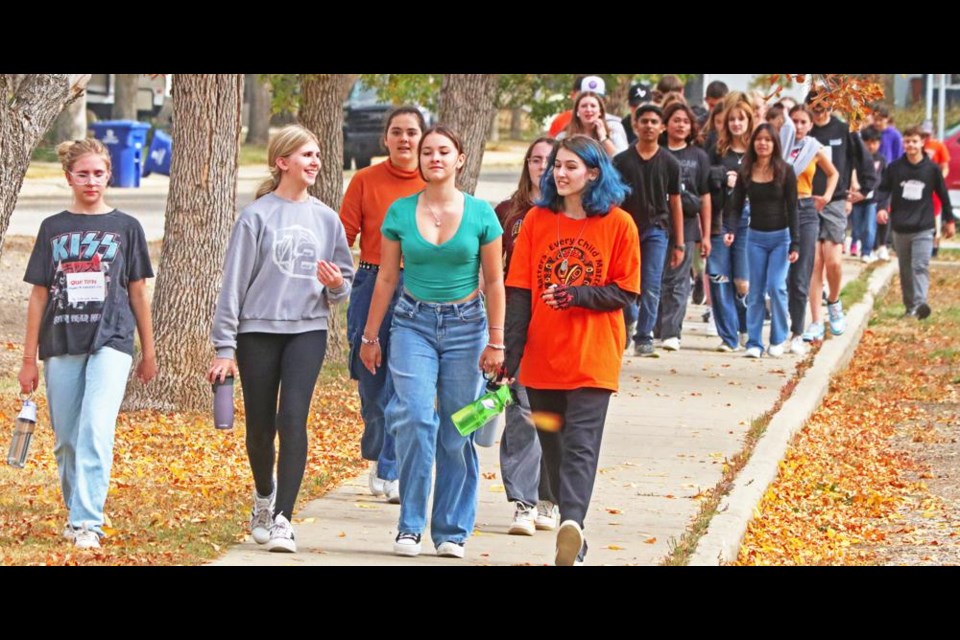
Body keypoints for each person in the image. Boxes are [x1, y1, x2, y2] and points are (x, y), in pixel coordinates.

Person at [359, 125, 505, 559]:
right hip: (412, 324)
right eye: (427, 152)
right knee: (417, 419)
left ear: (460, 159)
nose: (434, 158)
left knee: (459, 426)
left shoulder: (481, 214)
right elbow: (386, 277)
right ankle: (410, 526)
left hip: (467, 327)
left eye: (444, 151)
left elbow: (495, 281)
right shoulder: (401, 212)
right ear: (420, 161)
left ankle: (451, 531)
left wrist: (496, 342)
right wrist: (370, 336)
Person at [209, 125, 355, 553]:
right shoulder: (256, 216)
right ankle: (262, 497)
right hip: (257, 330)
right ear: (282, 162)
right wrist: (225, 347)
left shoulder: (327, 218)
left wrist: (334, 285)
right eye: (306, 155)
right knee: (259, 429)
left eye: (317, 155)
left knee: (292, 419)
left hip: (306, 329)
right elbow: (234, 284)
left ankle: (283, 519)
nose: (314, 162)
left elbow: (342, 283)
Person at [503, 135, 640, 566]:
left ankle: (573, 523)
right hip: (542, 360)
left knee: (581, 444)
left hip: (593, 356)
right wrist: (511, 355)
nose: (559, 173)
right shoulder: (537, 222)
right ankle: (573, 535)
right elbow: (520, 292)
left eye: (570, 167)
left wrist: (578, 295)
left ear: (593, 173)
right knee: (554, 446)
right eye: (556, 166)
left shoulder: (619, 224)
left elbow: (625, 290)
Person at [19, 138, 157, 550]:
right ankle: (76, 508)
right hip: (61, 341)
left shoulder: (126, 227)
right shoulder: (53, 228)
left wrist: (147, 351)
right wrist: (29, 360)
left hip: (111, 340)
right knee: (66, 439)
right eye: (83, 174)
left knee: (96, 428)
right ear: (69, 178)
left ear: (109, 175)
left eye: (99, 173)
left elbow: (137, 293)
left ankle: (87, 523)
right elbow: (39, 295)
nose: (91, 181)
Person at [339, 106, 426, 504]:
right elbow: (343, 235)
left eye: (411, 132)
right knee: (372, 384)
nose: (404, 139)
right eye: (397, 132)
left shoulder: (432, 182)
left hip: (420, 284)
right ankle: (378, 450)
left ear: (422, 138)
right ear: (385, 139)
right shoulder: (365, 179)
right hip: (373, 280)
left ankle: (390, 466)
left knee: (402, 386)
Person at [494, 137, 560, 535]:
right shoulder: (507, 212)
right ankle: (523, 501)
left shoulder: (567, 213)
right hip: (517, 322)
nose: (542, 166)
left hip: (557, 322)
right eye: (535, 160)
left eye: (550, 160)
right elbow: (492, 271)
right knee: (520, 412)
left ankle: (549, 498)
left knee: (550, 413)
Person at [803, 88, 876, 341]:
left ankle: (833, 301)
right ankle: (815, 321)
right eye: (815, 108)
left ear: (831, 107)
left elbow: (863, 159)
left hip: (834, 201)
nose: (820, 112)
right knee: (814, 263)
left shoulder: (843, 130)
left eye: (823, 107)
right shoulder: (806, 131)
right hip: (808, 201)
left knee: (832, 260)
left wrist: (865, 189)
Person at [614, 103, 684, 357]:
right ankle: (629, 318)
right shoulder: (621, 161)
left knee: (652, 284)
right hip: (627, 229)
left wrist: (680, 243)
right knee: (626, 283)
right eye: (644, 121)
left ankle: (644, 336)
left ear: (662, 127)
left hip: (657, 229)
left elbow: (675, 202)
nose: (649, 126)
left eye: (655, 122)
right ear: (635, 125)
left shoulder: (670, 163)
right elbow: (614, 199)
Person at [726, 124, 799, 358]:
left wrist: (795, 242)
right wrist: (731, 229)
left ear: (775, 143)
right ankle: (754, 342)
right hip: (754, 238)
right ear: (753, 143)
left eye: (768, 139)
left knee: (777, 287)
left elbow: (793, 208)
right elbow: (736, 204)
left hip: (781, 238)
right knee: (755, 291)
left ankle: (778, 338)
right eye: (759, 139)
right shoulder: (746, 170)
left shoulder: (786, 171)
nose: (763, 143)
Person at [876, 125, 956, 319]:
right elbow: (884, 189)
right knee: (905, 269)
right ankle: (910, 306)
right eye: (907, 141)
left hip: (924, 227)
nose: (910, 145)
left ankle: (920, 305)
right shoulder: (895, 168)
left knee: (920, 266)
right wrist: (881, 208)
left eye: (914, 141)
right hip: (900, 226)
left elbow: (943, 195)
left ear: (922, 143)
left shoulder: (932, 169)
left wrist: (949, 220)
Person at [657, 103, 712, 351]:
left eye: (685, 121)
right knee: (655, 279)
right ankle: (654, 328)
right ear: (666, 123)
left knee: (678, 282)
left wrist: (706, 234)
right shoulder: (655, 151)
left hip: (688, 227)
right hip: (657, 224)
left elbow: (705, 196)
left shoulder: (698, 156)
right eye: (676, 120)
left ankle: (672, 332)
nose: (680, 125)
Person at [784, 104, 838, 356]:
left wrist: (826, 197)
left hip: (805, 208)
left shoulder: (813, 148)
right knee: (779, 275)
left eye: (803, 121)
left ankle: (797, 332)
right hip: (779, 208)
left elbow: (833, 173)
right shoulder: (780, 145)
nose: (798, 126)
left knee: (801, 273)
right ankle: (778, 329)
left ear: (810, 124)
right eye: (794, 121)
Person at [707, 93, 755, 351]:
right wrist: (723, 175)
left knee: (742, 282)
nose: (737, 123)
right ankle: (729, 337)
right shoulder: (717, 150)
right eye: (732, 119)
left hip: (749, 220)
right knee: (718, 276)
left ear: (749, 120)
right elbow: (705, 176)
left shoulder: (757, 149)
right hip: (720, 219)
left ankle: (746, 327)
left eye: (741, 119)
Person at [849, 125, 885, 264]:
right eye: (867, 142)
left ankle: (866, 251)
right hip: (857, 198)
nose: (870, 146)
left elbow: (882, 180)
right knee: (857, 228)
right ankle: (855, 243)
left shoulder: (881, 160)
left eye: (874, 142)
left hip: (872, 199)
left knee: (870, 227)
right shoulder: (856, 159)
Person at [558, 91, 628, 157]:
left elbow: (622, 160)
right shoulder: (564, 137)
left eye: (593, 106)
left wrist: (603, 138)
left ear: (600, 111)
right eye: (584, 106)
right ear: (577, 111)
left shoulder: (613, 133)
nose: (588, 109)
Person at [920, 120, 951, 258]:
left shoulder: (939, 146)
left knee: (936, 215)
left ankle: (935, 243)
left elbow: (945, 167)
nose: (926, 137)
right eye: (924, 134)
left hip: (933, 185)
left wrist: (939, 181)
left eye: (928, 134)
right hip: (920, 184)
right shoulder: (918, 145)